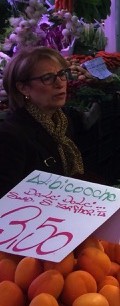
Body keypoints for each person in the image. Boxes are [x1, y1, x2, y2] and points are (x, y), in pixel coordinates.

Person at [0, 47, 85, 195]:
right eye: (47, 78)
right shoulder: (10, 136)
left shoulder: (62, 122)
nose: (59, 83)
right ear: (23, 88)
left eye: (62, 74)